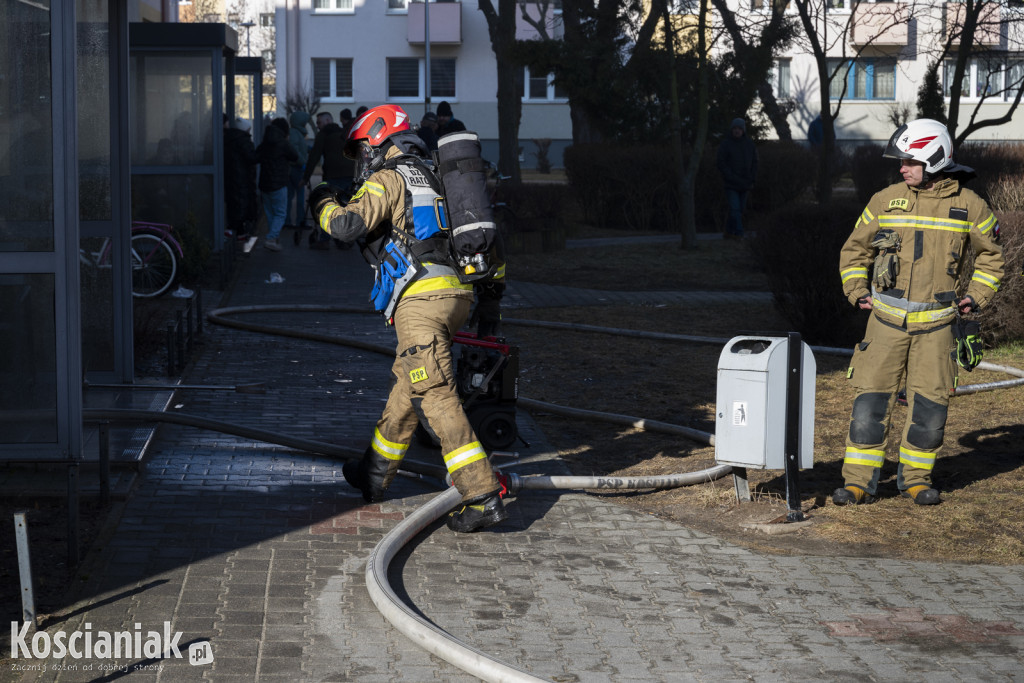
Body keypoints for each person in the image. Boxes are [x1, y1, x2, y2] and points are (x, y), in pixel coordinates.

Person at [308, 104, 508, 533]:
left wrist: (320, 200)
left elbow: (346, 225)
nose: (363, 159)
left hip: (420, 300)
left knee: (434, 394)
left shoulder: (389, 178)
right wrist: (490, 308)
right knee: (409, 387)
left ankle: (482, 494)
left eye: (363, 148)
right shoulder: (436, 174)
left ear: (380, 138)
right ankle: (374, 474)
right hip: (454, 295)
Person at [834, 118, 1004, 507]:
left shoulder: (970, 206)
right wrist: (857, 290)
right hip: (884, 325)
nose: (901, 168)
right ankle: (858, 483)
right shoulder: (884, 200)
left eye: (909, 161)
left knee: (929, 411)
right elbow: (854, 251)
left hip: (938, 327)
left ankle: (915, 480)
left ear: (934, 159)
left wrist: (976, 296)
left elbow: (992, 260)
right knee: (868, 406)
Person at [304, 110, 356, 248]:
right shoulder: (344, 133)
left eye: (319, 122)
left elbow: (314, 156)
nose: (318, 125)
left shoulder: (323, 135)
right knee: (344, 207)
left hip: (333, 176)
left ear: (327, 121)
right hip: (350, 175)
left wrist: (305, 177)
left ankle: (324, 239)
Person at [256, 117, 297, 252]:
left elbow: (255, 156)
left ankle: (273, 237)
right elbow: (295, 156)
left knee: (270, 213)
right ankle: (271, 238)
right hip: (279, 183)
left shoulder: (265, 142)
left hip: (264, 183)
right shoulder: (283, 143)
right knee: (280, 213)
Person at [716, 117, 757, 240]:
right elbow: (721, 162)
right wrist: (729, 176)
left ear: (743, 130)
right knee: (735, 208)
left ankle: (729, 231)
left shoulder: (749, 144)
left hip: (745, 182)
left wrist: (751, 177)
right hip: (731, 183)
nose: (737, 131)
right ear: (731, 130)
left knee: (739, 209)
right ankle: (739, 232)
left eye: (739, 128)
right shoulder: (726, 144)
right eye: (735, 128)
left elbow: (755, 162)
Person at [223, 116, 259, 239]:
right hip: (242, 177)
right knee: (241, 204)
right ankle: (237, 231)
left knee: (234, 204)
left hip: (232, 176)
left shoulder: (229, 138)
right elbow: (252, 158)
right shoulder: (243, 140)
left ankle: (236, 230)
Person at [287, 110, 313, 231]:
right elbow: (295, 151)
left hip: (295, 167)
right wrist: (302, 163)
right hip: (295, 168)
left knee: (292, 195)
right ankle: (300, 221)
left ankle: (290, 221)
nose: (306, 124)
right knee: (299, 196)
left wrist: (309, 149)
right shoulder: (294, 133)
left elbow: (299, 147)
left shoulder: (296, 133)